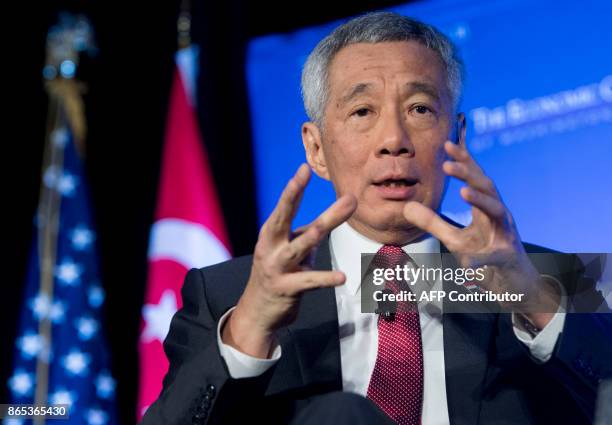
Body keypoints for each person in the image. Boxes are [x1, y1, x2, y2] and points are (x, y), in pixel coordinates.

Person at [140, 11, 611, 425]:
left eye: (420, 109)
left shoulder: (548, 279)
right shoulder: (229, 295)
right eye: (362, 111)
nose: (393, 139)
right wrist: (250, 329)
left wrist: (529, 295)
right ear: (316, 148)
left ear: (458, 135)